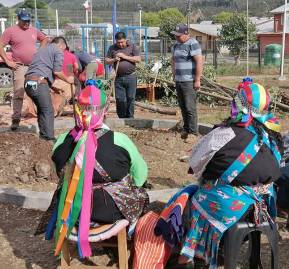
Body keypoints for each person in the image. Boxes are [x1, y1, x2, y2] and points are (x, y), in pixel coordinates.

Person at [154, 79, 283, 268]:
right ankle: (221, 249)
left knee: (190, 198)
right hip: (263, 206)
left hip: (229, 208)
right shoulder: (272, 136)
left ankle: (190, 256)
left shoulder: (223, 134)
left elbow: (195, 165)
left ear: (237, 104)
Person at [40, 81, 148, 258]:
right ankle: (125, 242)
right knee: (141, 195)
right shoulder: (120, 140)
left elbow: (60, 175)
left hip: (72, 210)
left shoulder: (61, 141)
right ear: (105, 110)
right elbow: (141, 175)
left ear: (77, 110)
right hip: (111, 211)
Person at [0, 9, 48, 131]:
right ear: (19, 19)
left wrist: (39, 52)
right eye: (24, 21)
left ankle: (40, 117)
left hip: (33, 66)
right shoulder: (10, 31)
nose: (27, 23)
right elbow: (0, 45)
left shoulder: (33, 30)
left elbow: (44, 39)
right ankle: (16, 119)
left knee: (37, 91)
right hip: (19, 66)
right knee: (19, 93)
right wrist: (7, 61)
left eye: (28, 21)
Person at [24, 36, 74, 141]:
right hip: (39, 82)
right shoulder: (58, 50)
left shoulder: (42, 50)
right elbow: (57, 72)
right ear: (62, 45)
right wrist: (68, 80)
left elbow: (42, 68)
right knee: (48, 110)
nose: (63, 53)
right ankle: (49, 138)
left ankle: (43, 137)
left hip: (28, 82)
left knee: (42, 109)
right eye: (64, 50)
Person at [171, 23, 203, 140]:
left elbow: (199, 61)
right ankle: (186, 128)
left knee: (190, 107)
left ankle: (193, 133)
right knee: (183, 106)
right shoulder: (176, 45)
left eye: (179, 35)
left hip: (189, 81)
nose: (177, 37)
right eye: (175, 35)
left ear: (186, 34)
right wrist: (174, 74)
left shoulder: (192, 43)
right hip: (179, 81)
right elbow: (173, 60)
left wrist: (197, 79)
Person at [105, 31, 141, 118]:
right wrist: (114, 59)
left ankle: (130, 117)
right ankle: (121, 117)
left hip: (131, 76)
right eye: (118, 42)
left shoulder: (132, 46)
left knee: (130, 98)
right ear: (115, 41)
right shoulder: (112, 48)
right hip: (118, 78)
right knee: (120, 99)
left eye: (122, 42)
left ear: (125, 40)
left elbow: (138, 59)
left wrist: (124, 56)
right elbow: (106, 61)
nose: (120, 44)